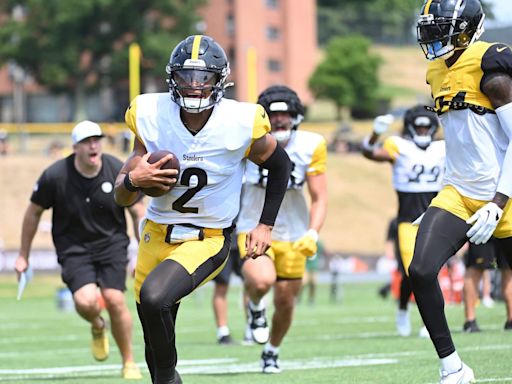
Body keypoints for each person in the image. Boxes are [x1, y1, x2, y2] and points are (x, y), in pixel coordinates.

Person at [113, 35, 291, 384]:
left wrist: (265, 224)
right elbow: (121, 197)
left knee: (154, 298)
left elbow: (280, 164)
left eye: (204, 78)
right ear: (172, 79)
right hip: (156, 234)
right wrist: (134, 180)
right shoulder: (150, 114)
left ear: (220, 80)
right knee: (154, 349)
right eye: (186, 77)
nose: (194, 87)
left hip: (207, 238)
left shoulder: (240, 120)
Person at [413, 1, 512, 382]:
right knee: (421, 269)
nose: (434, 36)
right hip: (458, 191)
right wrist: (440, 196)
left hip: (505, 194)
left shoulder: (491, 69)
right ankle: (452, 367)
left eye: (442, 28)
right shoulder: (435, 71)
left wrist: (498, 203)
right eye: (430, 28)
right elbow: (460, 140)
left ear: (468, 29)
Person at [14, 120, 145, 380]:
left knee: (115, 299)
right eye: (86, 141)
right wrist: (23, 255)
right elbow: (33, 213)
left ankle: (128, 361)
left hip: (111, 244)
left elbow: (137, 210)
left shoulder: (116, 168)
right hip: (74, 248)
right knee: (85, 301)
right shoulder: (55, 176)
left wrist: (143, 251)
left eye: (96, 139)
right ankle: (98, 325)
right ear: (75, 147)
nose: (93, 145)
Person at [236, 85, 328, 373]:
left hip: (294, 232)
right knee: (262, 280)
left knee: (286, 301)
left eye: (285, 114)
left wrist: (313, 232)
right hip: (253, 224)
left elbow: (320, 196)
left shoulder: (311, 144)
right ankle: (254, 305)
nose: (279, 121)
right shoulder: (246, 141)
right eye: (273, 115)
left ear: (295, 115)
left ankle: (271, 351)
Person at [362, 105, 445, 338]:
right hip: (408, 220)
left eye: (426, 126)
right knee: (413, 271)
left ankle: (430, 322)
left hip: (436, 217)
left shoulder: (443, 147)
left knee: (431, 271)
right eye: (418, 126)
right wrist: (375, 134)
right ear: (410, 127)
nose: (422, 130)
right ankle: (402, 308)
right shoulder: (399, 146)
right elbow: (370, 153)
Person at [462, 239, 512, 332]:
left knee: (509, 270)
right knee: (475, 269)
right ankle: (470, 321)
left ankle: (511, 320)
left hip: (507, 228)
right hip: (483, 227)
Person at [211, 239, 243, 345]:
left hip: (246, 238)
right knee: (222, 286)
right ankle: (223, 332)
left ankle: (252, 330)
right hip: (224, 240)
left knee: (251, 283)